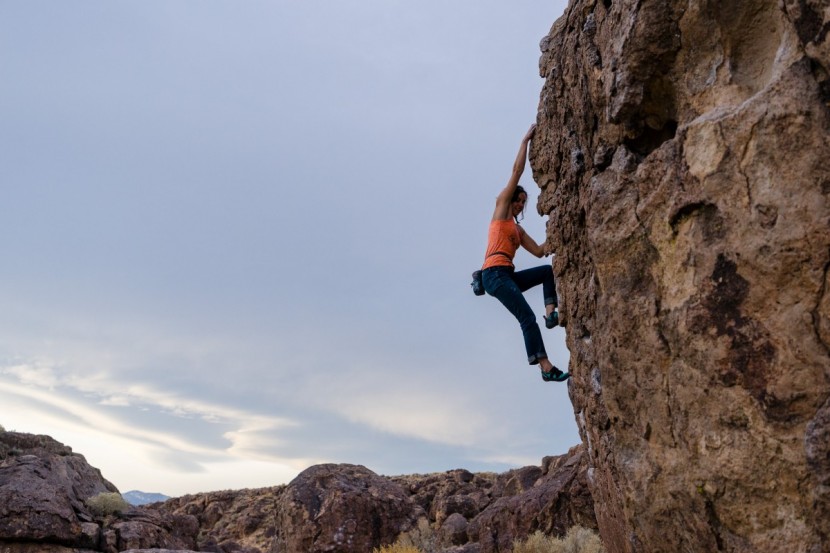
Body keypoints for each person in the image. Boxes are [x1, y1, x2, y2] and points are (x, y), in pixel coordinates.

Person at [480, 123, 569, 382]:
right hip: (493, 275)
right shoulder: (501, 213)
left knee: (546, 271)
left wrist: (559, 229)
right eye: (517, 200)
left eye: (522, 203)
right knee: (526, 317)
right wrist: (525, 142)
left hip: (507, 274)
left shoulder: (517, 232)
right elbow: (516, 172)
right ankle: (545, 366)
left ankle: (551, 313)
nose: (519, 205)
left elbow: (541, 251)